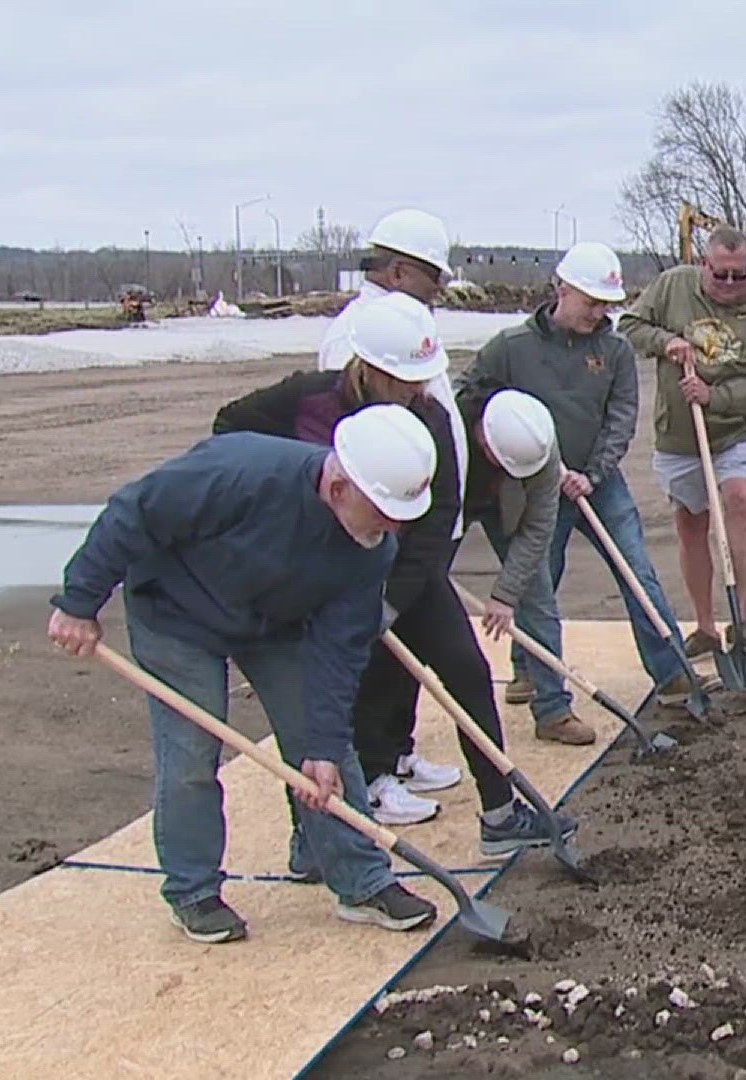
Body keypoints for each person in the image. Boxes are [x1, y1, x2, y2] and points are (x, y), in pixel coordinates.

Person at [47, 408, 441, 943]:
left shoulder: (372, 549)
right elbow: (134, 513)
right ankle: (193, 890)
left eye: (400, 515)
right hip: (176, 615)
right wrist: (78, 601)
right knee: (191, 749)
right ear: (340, 484)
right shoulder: (239, 472)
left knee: (324, 747)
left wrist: (322, 745)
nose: (392, 526)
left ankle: (359, 878)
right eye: (384, 511)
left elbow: (339, 652)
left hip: (272, 622)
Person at [214, 293, 556, 860]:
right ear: (366, 367)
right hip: (321, 572)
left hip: (397, 569)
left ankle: (500, 812)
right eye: (404, 379)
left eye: (423, 379)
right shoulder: (305, 399)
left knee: (466, 668)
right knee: (329, 697)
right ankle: (329, 827)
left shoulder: (431, 417)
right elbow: (229, 435)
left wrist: (390, 603)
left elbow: (439, 513)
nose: (417, 390)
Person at [463, 241, 698, 727]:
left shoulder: (614, 350)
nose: (600, 313)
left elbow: (621, 416)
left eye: (606, 304)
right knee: (537, 582)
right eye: (591, 302)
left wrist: (592, 474)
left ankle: (671, 671)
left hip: (598, 484)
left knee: (637, 571)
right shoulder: (510, 348)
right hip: (532, 487)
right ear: (561, 289)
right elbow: (468, 398)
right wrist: (529, 453)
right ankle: (532, 672)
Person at [317, 207, 469, 790]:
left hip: (423, 517)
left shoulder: (405, 322)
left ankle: (396, 753)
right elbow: (358, 433)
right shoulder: (357, 336)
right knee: (378, 651)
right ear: (402, 270)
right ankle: (373, 770)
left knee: (406, 648)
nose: (442, 290)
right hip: (389, 521)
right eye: (436, 277)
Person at [619, 227, 746, 658]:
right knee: (691, 523)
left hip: (738, 427)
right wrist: (667, 341)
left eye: (740, 275)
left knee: (740, 498)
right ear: (704, 265)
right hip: (681, 431)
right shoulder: (672, 285)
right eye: (721, 275)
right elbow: (630, 324)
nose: (731, 285)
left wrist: (717, 397)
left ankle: (742, 620)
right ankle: (705, 626)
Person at [454, 385, 568, 730]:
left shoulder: (539, 445)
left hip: (508, 508)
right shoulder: (445, 433)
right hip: (448, 505)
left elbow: (538, 528)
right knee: (417, 601)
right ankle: (393, 737)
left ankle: (553, 710)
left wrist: (505, 594)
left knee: (539, 601)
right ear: (483, 440)